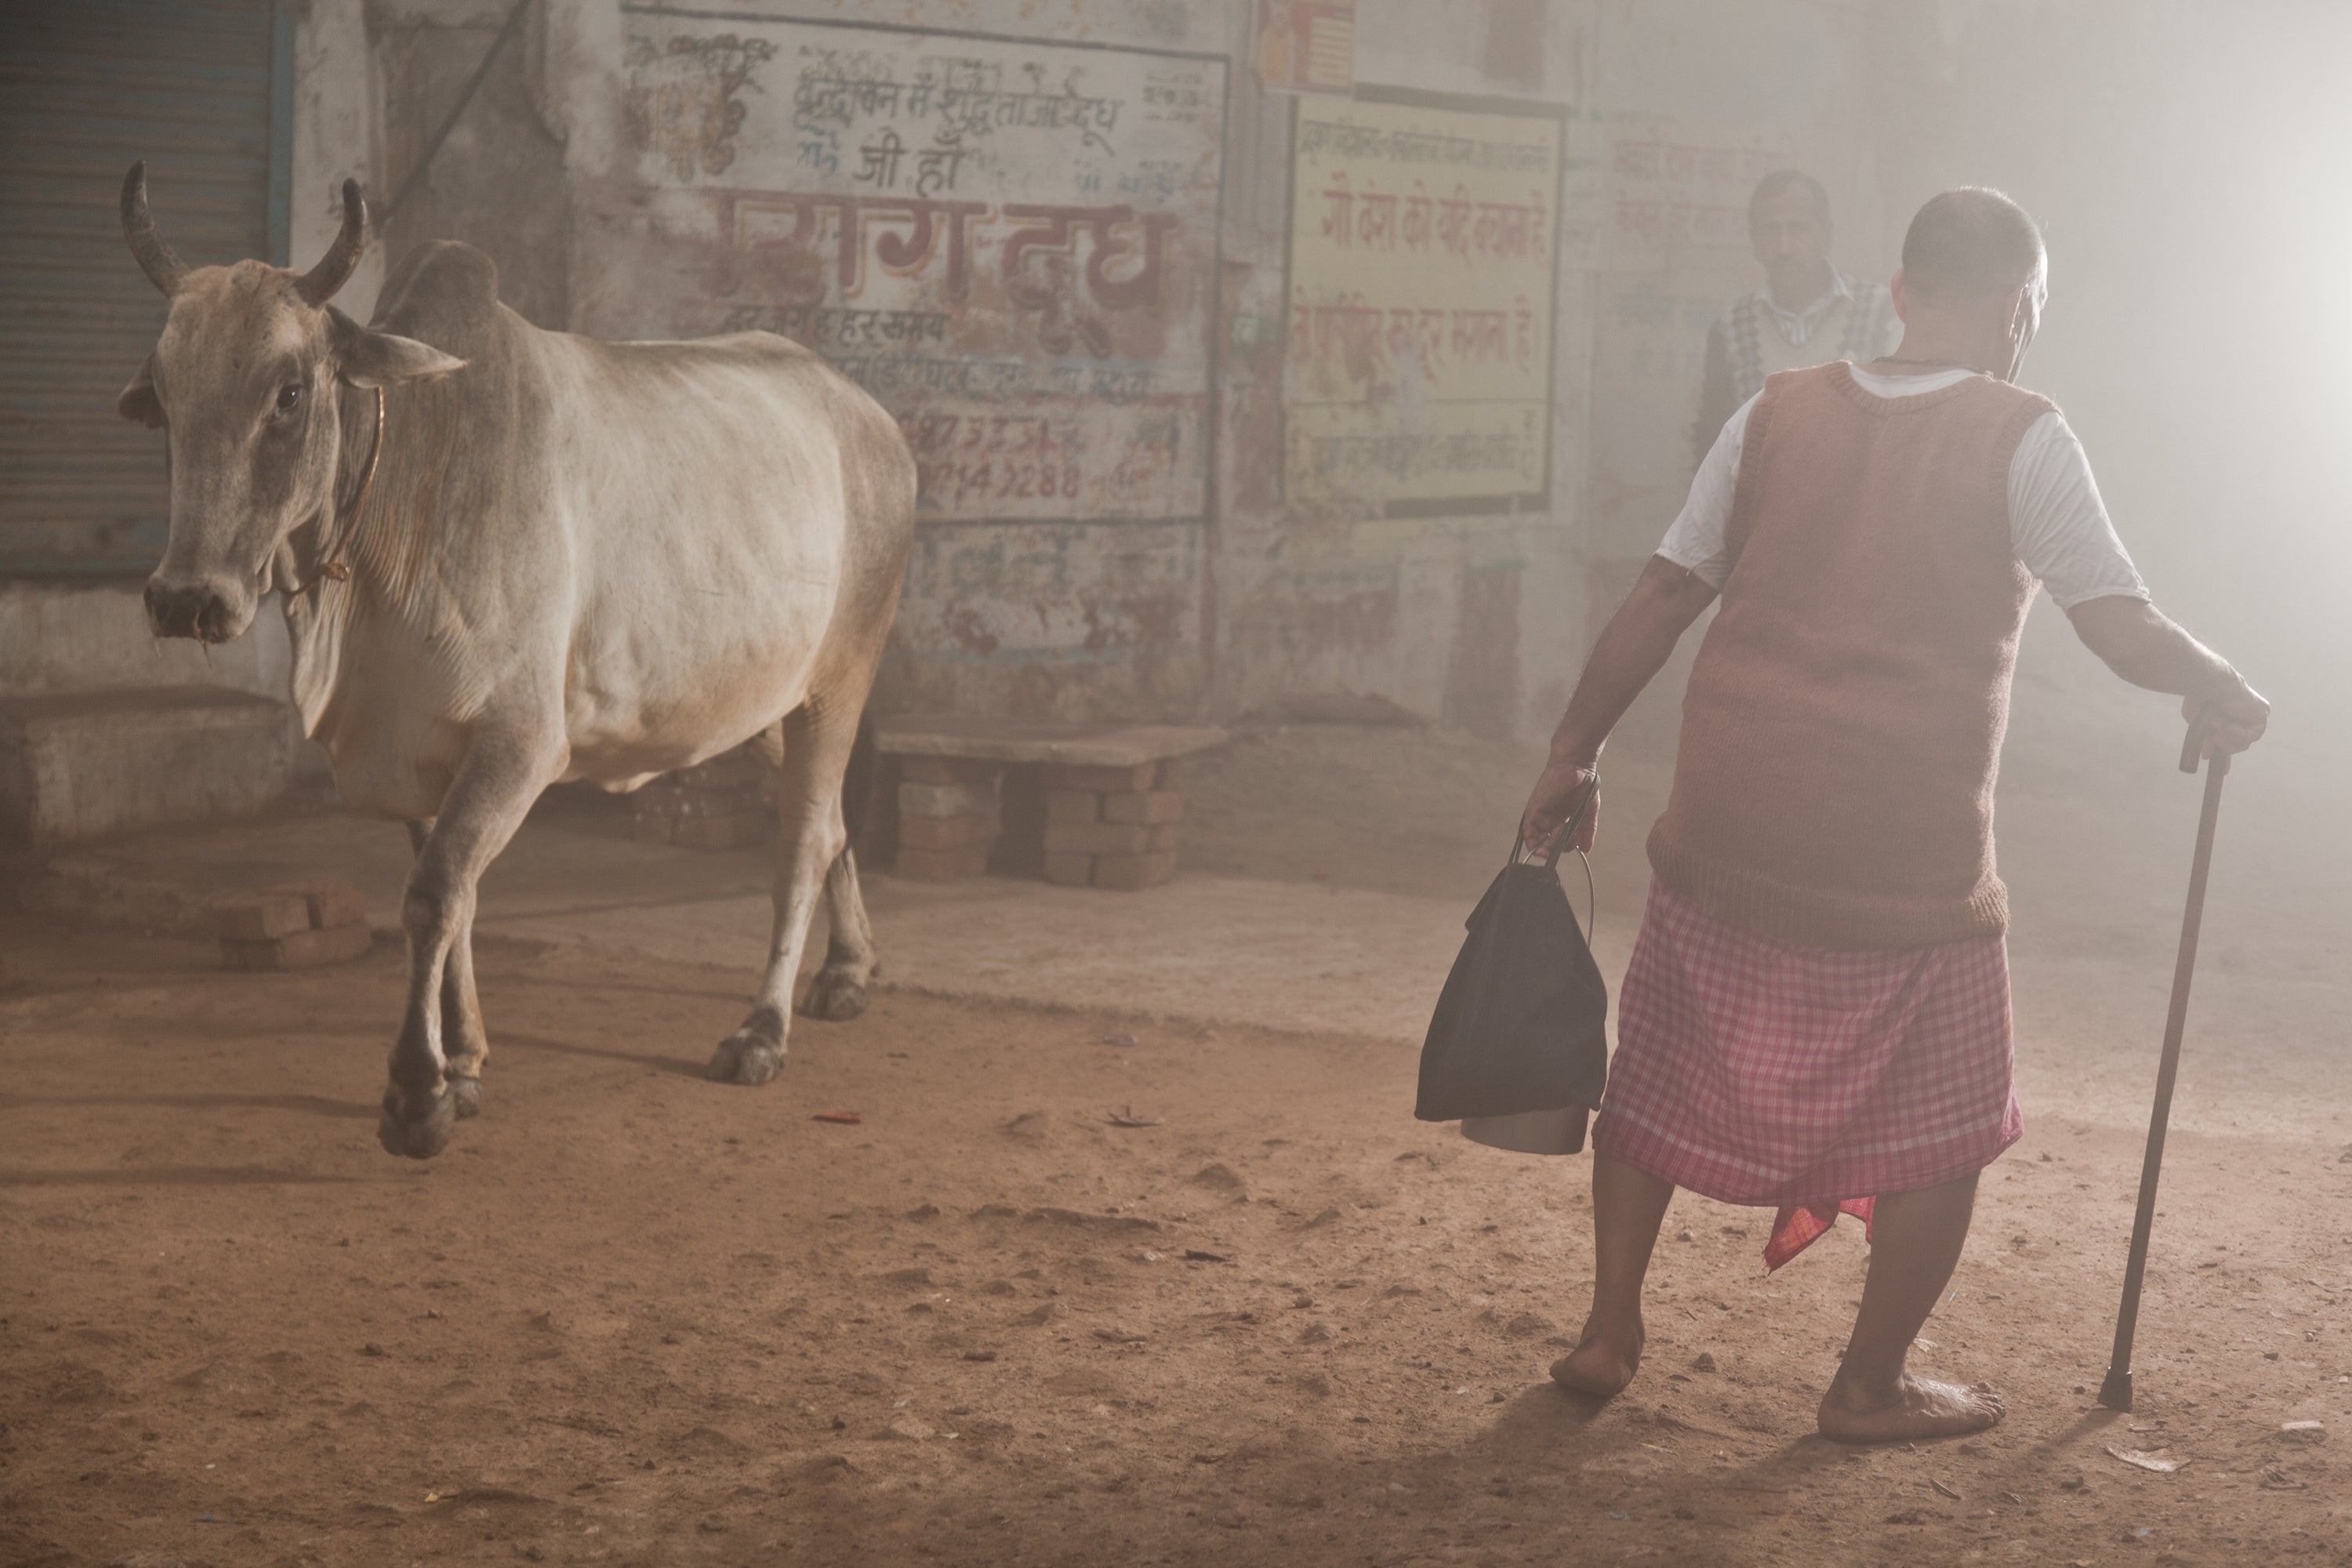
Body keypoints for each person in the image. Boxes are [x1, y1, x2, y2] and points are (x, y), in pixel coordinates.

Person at [1517, 187, 2269, 1443]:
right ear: (2023, 309)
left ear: (1903, 289)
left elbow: (1663, 589)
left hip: (1728, 819)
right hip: (1906, 854)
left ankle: (1608, 1333)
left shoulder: (1776, 410)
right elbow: (2118, 623)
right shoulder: (2027, 435)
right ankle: (1867, 1384)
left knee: (1654, 1066)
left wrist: (1569, 752)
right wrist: (2221, 683)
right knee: (1949, 1118)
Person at [1693, 171, 1901, 467]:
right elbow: (1713, 446)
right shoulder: (1730, 332)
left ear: (1825, 235)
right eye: (1771, 232)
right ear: (1755, 243)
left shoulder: (1881, 312)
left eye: (1798, 229)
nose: (1785, 247)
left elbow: (1903, 426)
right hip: (1762, 510)